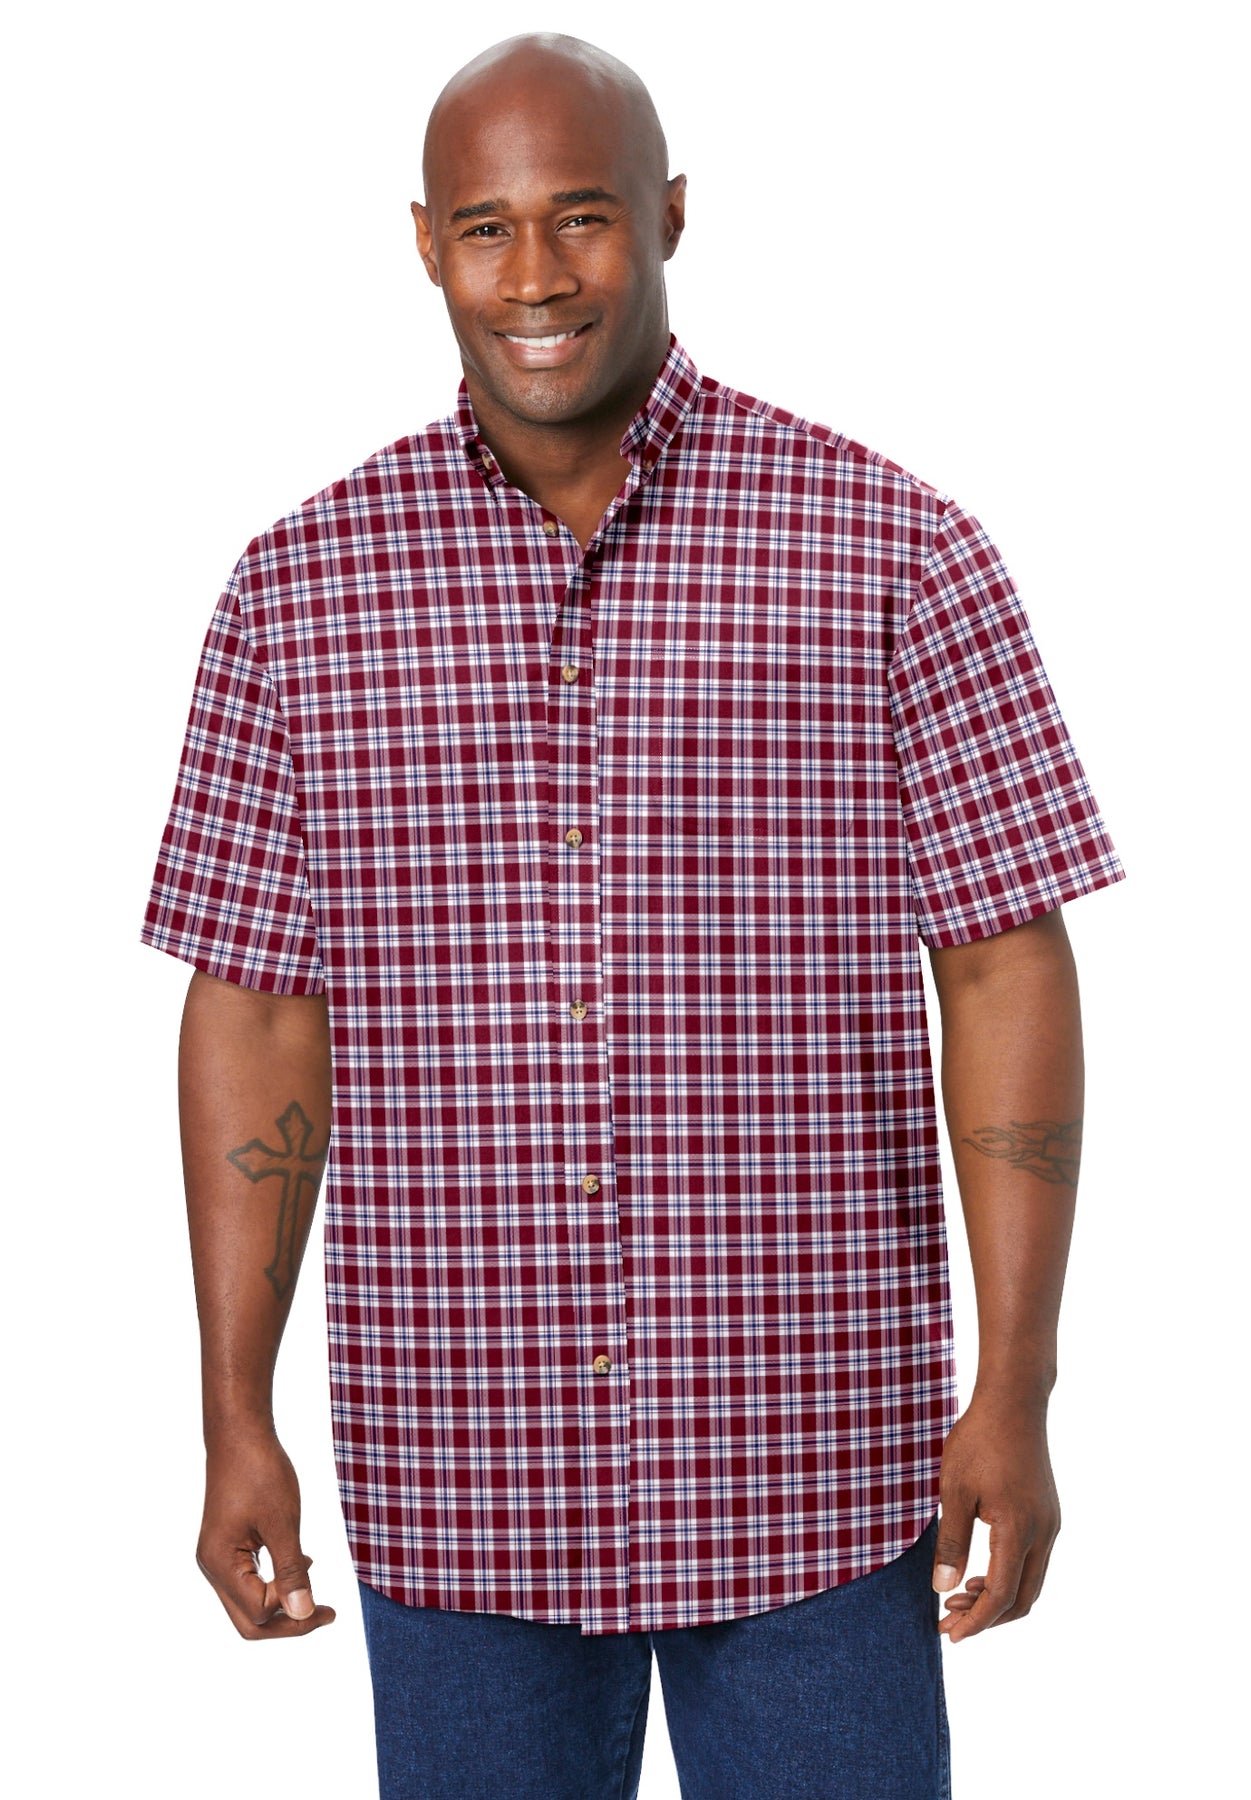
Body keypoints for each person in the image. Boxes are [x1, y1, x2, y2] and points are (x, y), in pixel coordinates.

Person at [142, 31, 1124, 1799]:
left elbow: (1001, 963)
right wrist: (234, 1414)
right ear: (425, 243)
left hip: (815, 1477)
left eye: (582, 217)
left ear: (671, 216)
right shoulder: (297, 594)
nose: (536, 277)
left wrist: (1018, 1384)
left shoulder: (894, 555)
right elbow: (257, 1007)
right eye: (486, 227)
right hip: (462, 1480)